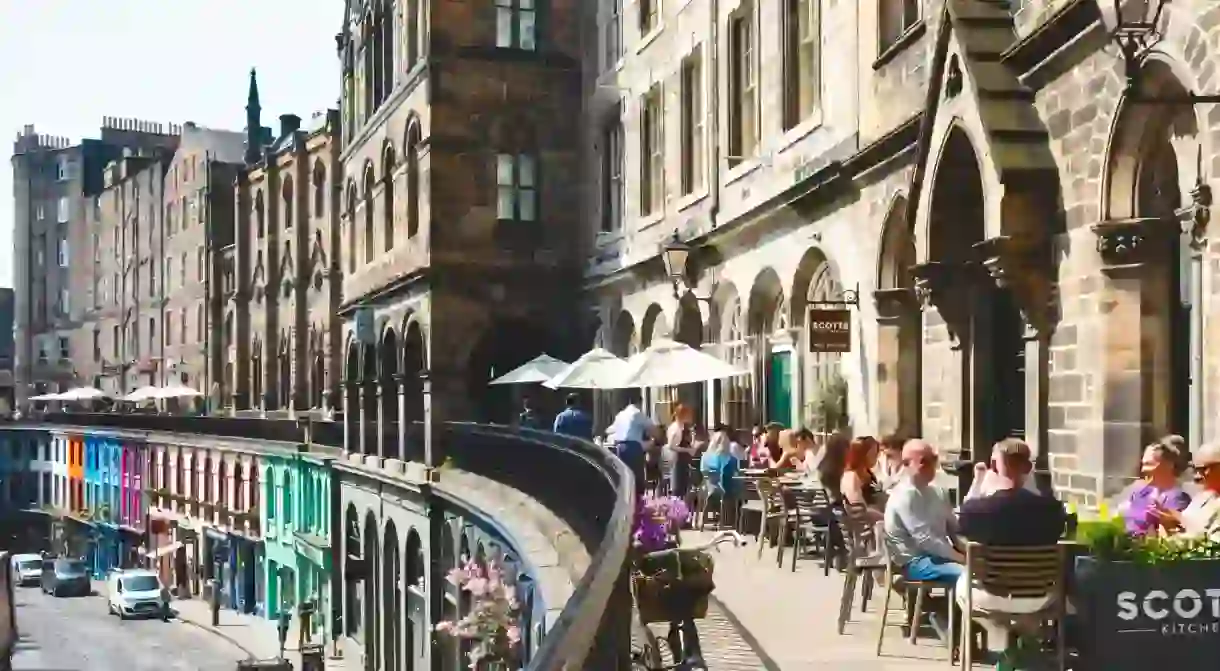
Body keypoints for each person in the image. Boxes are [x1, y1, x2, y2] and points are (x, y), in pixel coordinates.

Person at [955, 438, 1067, 665]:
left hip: (992, 595)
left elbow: (961, 532)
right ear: (1029, 468)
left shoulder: (977, 510)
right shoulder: (1053, 510)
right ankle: (1020, 642)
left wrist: (979, 485)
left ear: (994, 467)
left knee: (961, 582)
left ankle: (1000, 644)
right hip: (1038, 597)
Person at [884, 439, 963, 583]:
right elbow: (925, 540)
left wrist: (966, 552)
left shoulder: (938, 491)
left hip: (940, 557)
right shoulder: (903, 495)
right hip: (914, 562)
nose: (930, 466)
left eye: (933, 459)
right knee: (966, 575)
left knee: (979, 572)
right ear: (906, 464)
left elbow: (954, 529)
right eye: (923, 461)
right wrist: (962, 559)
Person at [1118, 437, 1190, 536]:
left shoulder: (1178, 499)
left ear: (1169, 465)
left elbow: (1170, 536)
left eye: (1149, 464)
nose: (1143, 470)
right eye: (1143, 464)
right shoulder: (1140, 493)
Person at [1152, 442, 1220, 539]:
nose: (1197, 476)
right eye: (1195, 470)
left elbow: (1212, 546)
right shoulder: (1200, 499)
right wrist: (1169, 521)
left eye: (1204, 469)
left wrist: (1181, 521)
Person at [605, 399, 658, 497]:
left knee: (624, 479)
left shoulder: (620, 414)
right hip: (633, 448)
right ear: (640, 403)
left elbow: (609, 430)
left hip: (619, 448)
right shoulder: (637, 414)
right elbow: (653, 430)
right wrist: (654, 440)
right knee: (636, 480)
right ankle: (638, 505)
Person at [841, 436, 885, 522]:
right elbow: (858, 508)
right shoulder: (851, 476)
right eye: (873, 452)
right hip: (863, 525)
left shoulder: (869, 474)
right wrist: (885, 517)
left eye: (877, 452)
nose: (876, 456)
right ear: (861, 454)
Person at [700, 424, 743, 509]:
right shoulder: (729, 459)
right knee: (740, 486)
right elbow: (733, 474)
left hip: (708, 488)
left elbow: (703, 471)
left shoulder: (705, 456)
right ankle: (735, 514)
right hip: (724, 490)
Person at [663, 404, 699, 499]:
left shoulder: (682, 427)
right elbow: (671, 446)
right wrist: (687, 450)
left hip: (682, 460)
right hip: (677, 460)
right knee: (677, 488)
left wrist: (693, 437)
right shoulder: (676, 428)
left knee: (683, 488)